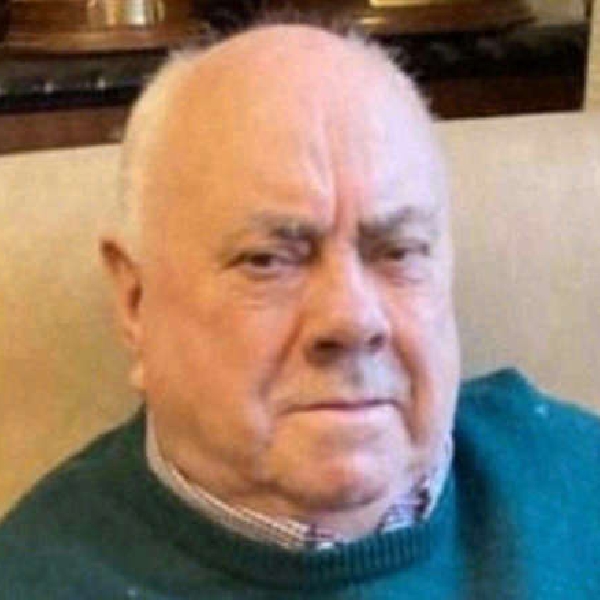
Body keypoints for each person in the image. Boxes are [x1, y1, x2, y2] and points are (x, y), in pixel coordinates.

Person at [1, 17, 599, 599]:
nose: (353, 319)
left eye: (398, 252)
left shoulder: (577, 483)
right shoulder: (35, 577)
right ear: (136, 303)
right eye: (268, 260)